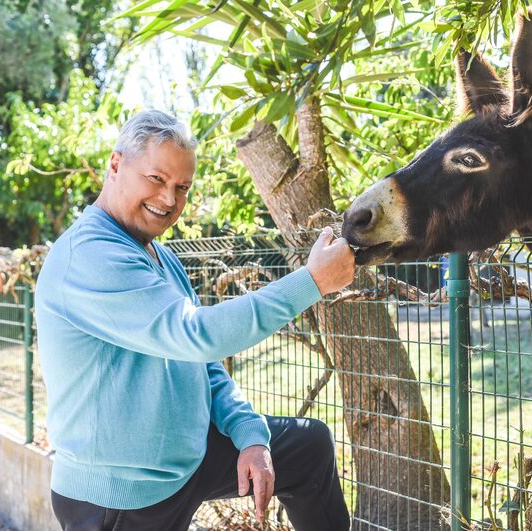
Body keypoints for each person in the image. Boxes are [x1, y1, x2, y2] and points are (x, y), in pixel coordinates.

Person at [35, 110, 355, 531]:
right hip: (121, 496)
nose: (169, 199)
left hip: (184, 462)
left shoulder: (159, 256)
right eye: (156, 178)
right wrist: (312, 281)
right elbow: (197, 335)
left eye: (181, 187)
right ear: (115, 165)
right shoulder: (90, 254)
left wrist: (249, 433)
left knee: (308, 447)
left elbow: (202, 364)